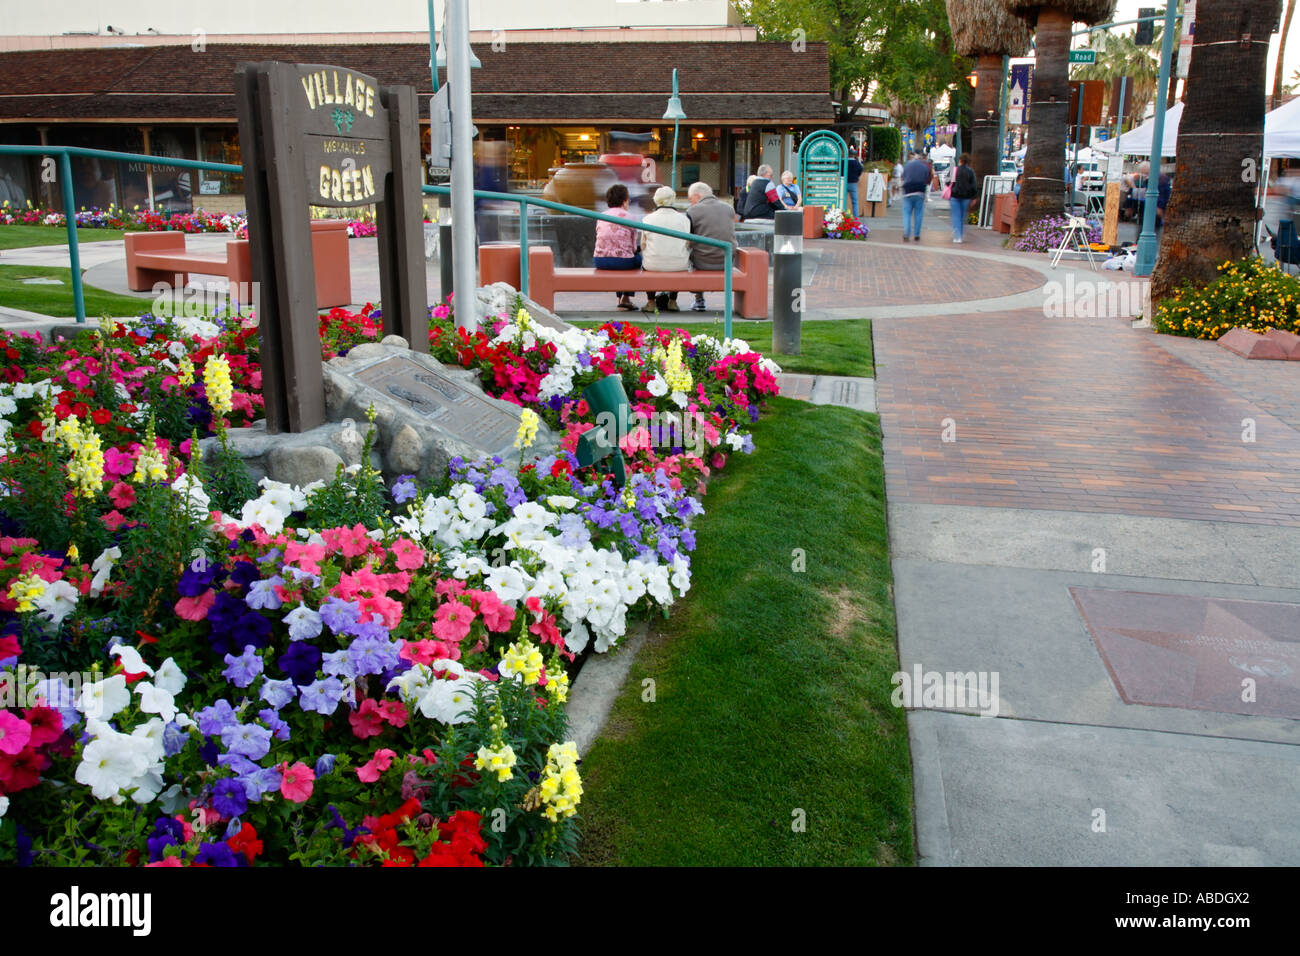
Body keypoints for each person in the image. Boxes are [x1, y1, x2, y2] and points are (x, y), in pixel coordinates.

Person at [684, 181, 735, 312]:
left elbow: (687, 238)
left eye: (691, 199)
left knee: (687, 252)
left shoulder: (692, 211)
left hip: (702, 262)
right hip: (726, 262)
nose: (691, 203)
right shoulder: (729, 209)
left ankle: (699, 299)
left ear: (697, 195)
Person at [640, 186, 692, 312]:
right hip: (679, 264)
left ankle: (651, 302)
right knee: (678, 258)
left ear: (656, 200)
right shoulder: (684, 219)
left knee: (647, 264)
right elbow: (688, 244)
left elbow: (643, 245)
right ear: (673, 199)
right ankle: (673, 301)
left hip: (652, 264)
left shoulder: (647, 219)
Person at [593, 182, 643, 311]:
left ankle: (619, 297)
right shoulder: (630, 217)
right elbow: (632, 248)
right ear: (625, 200)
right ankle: (625, 297)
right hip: (622, 261)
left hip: (600, 260)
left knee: (621, 256)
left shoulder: (601, 216)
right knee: (637, 260)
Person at [900, 150, 932, 242]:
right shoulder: (924, 166)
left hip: (908, 191)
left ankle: (906, 233)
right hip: (920, 191)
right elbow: (927, 178)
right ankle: (917, 234)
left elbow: (903, 177)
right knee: (918, 214)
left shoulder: (907, 165)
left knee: (907, 214)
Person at [949, 152, 977, 244]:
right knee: (962, 216)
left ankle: (957, 236)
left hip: (955, 195)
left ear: (960, 160)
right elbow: (973, 185)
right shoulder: (971, 171)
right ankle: (960, 234)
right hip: (966, 197)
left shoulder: (954, 170)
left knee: (956, 216)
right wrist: (974, 197)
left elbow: (948, 183)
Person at [846, 144, 864, 216]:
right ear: (854, 155)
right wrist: (856, 177)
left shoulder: (844, 162)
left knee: (843, 200)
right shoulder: (857, 163)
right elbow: (860, 170)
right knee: (855, 201)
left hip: (844, 182)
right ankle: (856, 217)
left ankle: (843, 215)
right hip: (853, 183)